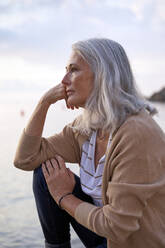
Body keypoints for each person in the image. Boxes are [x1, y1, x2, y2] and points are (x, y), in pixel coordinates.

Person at [14, 38, 165, 248]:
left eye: (73, 70)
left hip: (126, 240)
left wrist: (64, 197)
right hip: (102, 234)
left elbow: (117, 227)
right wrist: (44, 103)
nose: (63, 80)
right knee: (43, 174)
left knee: (53, 183)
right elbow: (25, 159)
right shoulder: (86, 128)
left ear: (103, 76)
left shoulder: (138, 133)